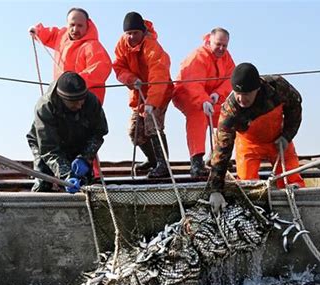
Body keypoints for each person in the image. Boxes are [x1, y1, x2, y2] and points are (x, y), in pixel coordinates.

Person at [209, 62, 306, 215]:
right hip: (249, 145)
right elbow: (222, 148)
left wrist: (287, 136)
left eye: (246, 94)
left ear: (257, 89)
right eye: (237, 93)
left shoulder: (278, 88)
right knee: (247, 189)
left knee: (292, 181)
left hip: (278, 142)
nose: (241, 99)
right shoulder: (230, 110)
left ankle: (299, 213)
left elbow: (295, 107)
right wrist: (215, 189)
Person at [113, 11, 173, 178]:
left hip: (159, 92)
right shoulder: (122, 44)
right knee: (134, 131)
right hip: (138, 93)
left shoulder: (152, 46)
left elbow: (159, 75)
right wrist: (131, 79)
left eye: (135, 33)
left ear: (143, 32)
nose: (131, 37)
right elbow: (118, 67)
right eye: (129, 33)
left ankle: (163, 164)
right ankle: (152, 159)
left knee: (152, 123)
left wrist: (151, 102)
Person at [27, 72, 108, 193]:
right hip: (45, 147)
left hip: (78, 143)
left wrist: (85, 158)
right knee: (43, 183)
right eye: (74, 102)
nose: (80, 105)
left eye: (82, 100)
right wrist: (66, 175)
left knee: (84, 185)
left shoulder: (91, 102)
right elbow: (49, 149)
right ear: (63, 99)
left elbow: (99, 133)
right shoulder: (45, 108)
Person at [172, 28, 235, 177]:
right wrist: (203, 100)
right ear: (209, 41)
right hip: (185, 94)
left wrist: (216, 94)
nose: (221, 48)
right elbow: (192, 84)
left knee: (229, 115)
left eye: (224, 46)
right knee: (198, 115)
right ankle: (196, 162)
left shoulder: (227, 58)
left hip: (210, 96)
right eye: (218, 44)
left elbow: (230, 79)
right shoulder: (198, 56)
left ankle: (218, 155)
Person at [28, 7, 112, 105]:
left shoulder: (93, 46)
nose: (75, 29)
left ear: (87, 26)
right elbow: (51, 35)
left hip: (85, 103)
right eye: (72, 25)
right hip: (61, 97)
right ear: (67, 25)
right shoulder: (62, 36)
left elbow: (100, 69)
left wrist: (75, 82)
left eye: (80, 26)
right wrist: (38, 31)